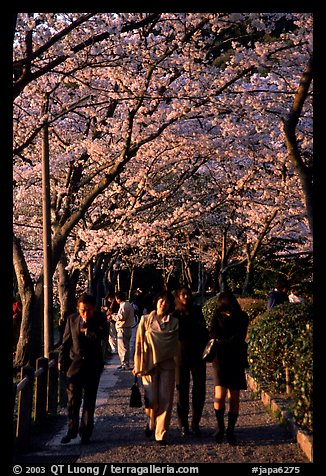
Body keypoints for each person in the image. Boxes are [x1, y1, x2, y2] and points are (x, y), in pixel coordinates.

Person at [59, 293, 107, 444]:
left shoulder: (100, 319)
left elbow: (102, 336)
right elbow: (66, 342)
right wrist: (62, 361)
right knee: (73, 400)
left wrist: (88, 330)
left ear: (93, 308)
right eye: (81, 310)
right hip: (74, 365)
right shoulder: (72, 319)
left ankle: (85, 432)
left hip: (93, 365)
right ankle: (71, 430)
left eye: (87, 310)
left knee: (89, 400)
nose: (84, 313)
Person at [133, 290, 179, 445]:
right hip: (148, 363)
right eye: (161, 300)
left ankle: (161, 433)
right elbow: (139, 343)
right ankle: (150, 420)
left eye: (166, 301)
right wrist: (137, 365)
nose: (163, 303)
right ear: (156, 301)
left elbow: (172, 343)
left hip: (167, 364)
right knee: (151, 399)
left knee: (166, 399)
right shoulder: (145, 320)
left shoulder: (174, 322)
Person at [208, 291, 249, 445]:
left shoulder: (242, 316)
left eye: (228, 308)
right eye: (224, 309)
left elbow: (240, 336)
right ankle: (220, 426)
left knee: (235, 396)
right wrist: (222, 340)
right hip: (220, 359)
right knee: (220, 393)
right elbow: (212, 333)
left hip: (236, 359)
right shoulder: (217, 315)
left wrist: (222, 340)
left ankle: (230, 431)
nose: (226, 311)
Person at [172, 285, 209, 437]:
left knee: (199, 390)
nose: (186, 297)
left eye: (187, 294)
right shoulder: (174, 314)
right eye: (183, 295)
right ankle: (183, 424)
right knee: (182, 391)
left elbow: (204, 331)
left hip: (198, 355)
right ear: (178, 297)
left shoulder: (197, 311)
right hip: (180, 355)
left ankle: (195, 422)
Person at [112, 291, 135, 370]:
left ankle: (124, 364)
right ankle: (125, 363)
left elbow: (121, 317)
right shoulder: (128, 305)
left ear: (118, 299)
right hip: (128, 328)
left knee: (122, 347)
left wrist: (113, 316)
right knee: (126, 347)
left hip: (123, 328)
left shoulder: (124, 306)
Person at [102, 291, 119, 356]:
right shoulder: (115, 303)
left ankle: (114, 349)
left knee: (112, 336)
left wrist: (107, 309)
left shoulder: (114, 303)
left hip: (113, 320)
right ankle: (115, 349)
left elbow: (111, 311)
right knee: (114, 335)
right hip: (114, 321)